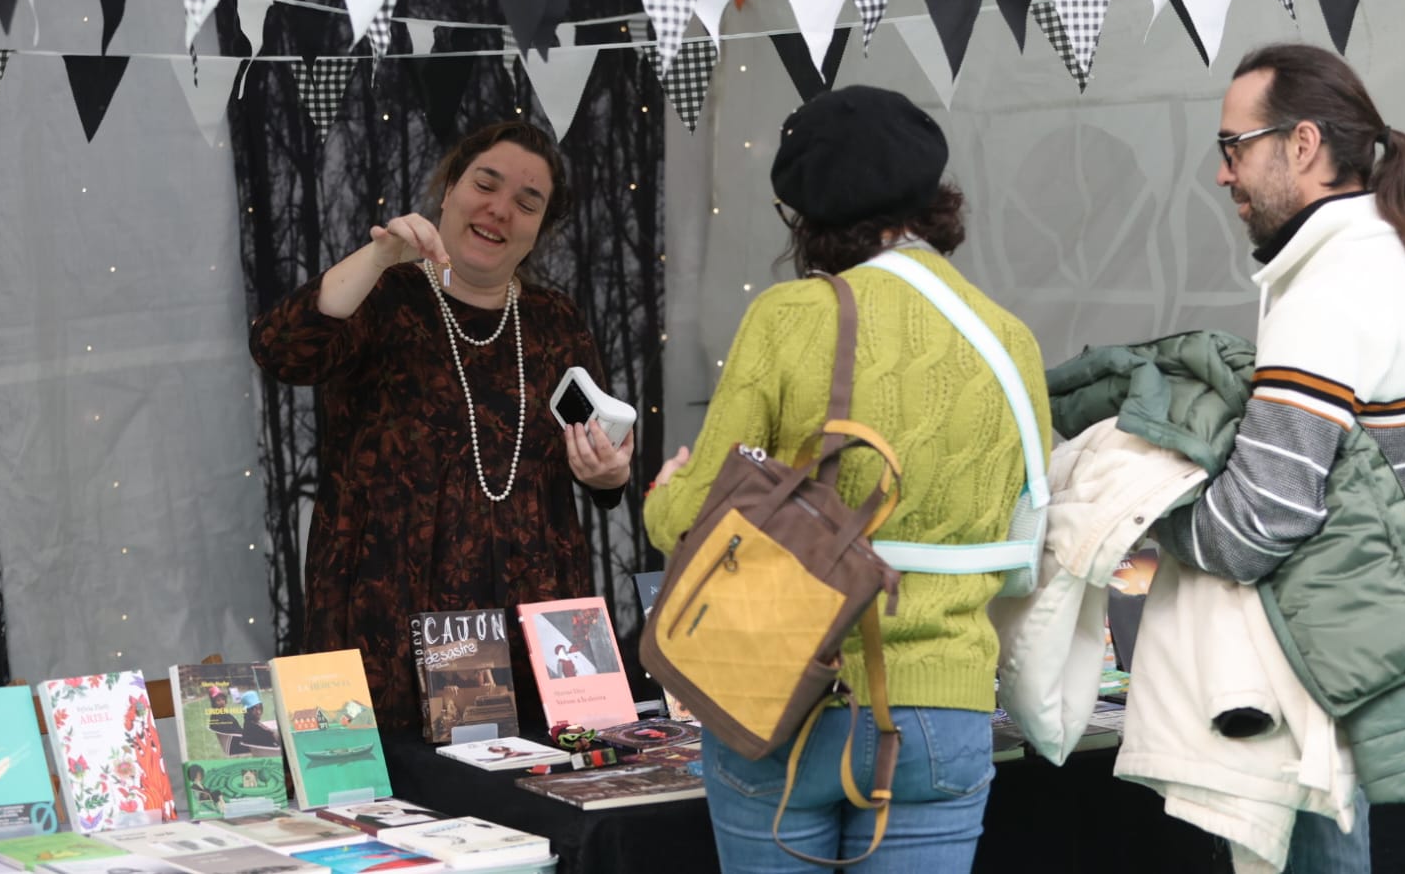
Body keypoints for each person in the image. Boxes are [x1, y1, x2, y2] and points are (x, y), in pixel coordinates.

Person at [643, 85, 1050, 872]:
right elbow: (1024, 525)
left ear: (808, 220)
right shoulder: (1011, 340)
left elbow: (696, 520)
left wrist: (664, 496)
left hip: (783, 688)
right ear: (935, 200)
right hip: (945, 705)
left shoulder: (791, 316)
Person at [1154, 44, 1405, 874]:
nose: (1222, 173)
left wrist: (1149, 507)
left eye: (1232, 146)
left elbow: (1257, 523)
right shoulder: (1379, 255)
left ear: (1299, 145)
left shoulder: (1330, 285)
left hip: (1308, 672)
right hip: (1346, 647)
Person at [250, 120, 634, 731]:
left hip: (535, 626)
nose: (499, 210)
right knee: (403, 807)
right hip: (388, 622)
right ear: (450, 189)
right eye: (486, 184)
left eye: (527, 203)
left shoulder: (556, 321)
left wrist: (609, 472)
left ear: (540, 229)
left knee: (546, 804)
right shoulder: (380, 293)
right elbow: (280, 350)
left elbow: (600, 472)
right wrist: (379, 254)